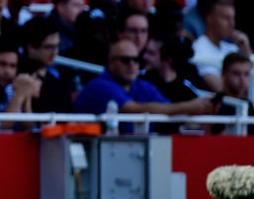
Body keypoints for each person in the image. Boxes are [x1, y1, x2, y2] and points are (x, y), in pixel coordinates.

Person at [74, 39, 216, 131]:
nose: (132, 64)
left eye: (136, 60)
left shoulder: (143, 86)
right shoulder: (99, 86)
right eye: (125, 60)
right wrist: (190, 107)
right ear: (111, 62)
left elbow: (167, 108)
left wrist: (203, 109)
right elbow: (134, 109)